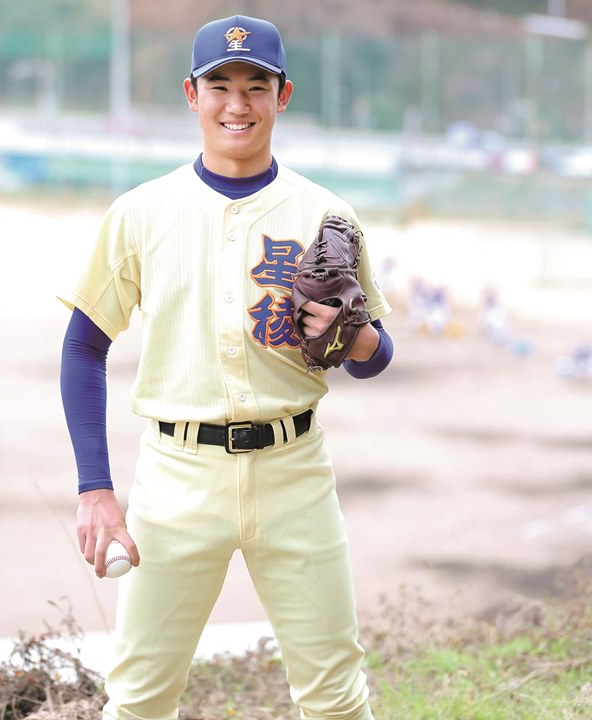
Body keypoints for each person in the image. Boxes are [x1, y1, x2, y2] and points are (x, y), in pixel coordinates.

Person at [59, 15, 393, 720]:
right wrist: (95, 488)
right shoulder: (141, 213)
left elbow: (376, 355)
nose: (236, 104)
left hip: (295, 472)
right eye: (220, 85)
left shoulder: (324, 213)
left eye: (255, 86)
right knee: (140, 699)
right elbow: (84, 347)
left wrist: (352, 337)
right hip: (177, 478)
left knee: (335, 695)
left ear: (283, 95)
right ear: (191, 93)